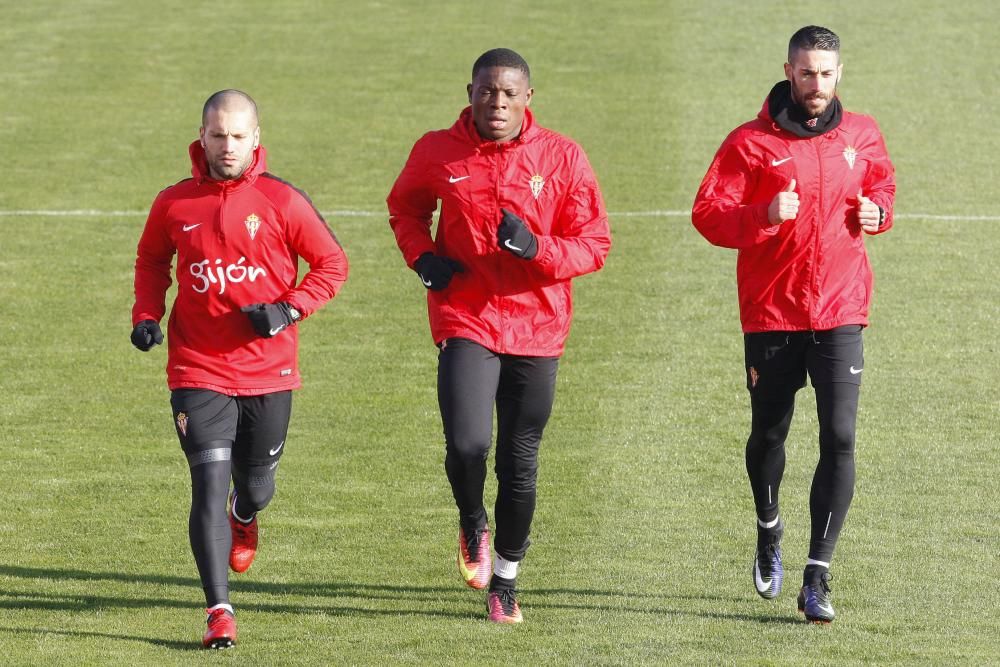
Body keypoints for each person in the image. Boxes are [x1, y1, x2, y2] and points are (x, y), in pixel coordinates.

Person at [387, 48, 611, 624]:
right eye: (488, 91)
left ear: (528, 98)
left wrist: (538, 249)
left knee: (520, 461)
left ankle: (507, 580)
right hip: (466, 315)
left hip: (538, 325)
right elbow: (405, 209)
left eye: (510, 93)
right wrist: (423, 257)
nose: (498, 103)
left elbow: (594, 244)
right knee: (466, 443)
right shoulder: (437, 150)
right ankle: (472, 522)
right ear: (470, 92)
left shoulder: (562, 157)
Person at [130, 89, 348, 648]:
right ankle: (218, 611)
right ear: (201, 137)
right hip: (196, 369)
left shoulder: (282, 201)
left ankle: (246, 513)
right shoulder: (173, 203)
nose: (227, 146)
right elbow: (153, 259)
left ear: (256, 138)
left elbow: (331, 264)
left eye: (238, 136)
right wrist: (147, 314)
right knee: (207, 486)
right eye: (217, 135)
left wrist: (287, 310)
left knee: (254, 485)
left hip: (268, 372)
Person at [692, 26, 895, 623]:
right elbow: (707, 213)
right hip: (773, 315)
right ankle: (768, 527)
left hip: (840, 312)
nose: (816, 84)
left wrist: (879, 212)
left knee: (839, 438)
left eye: (826, 73)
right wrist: (761, 213)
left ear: (840, 73)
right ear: (788, 70)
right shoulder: (749, 143)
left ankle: (818, 576)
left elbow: (881, 185)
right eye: (806, 73)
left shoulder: (862, 133)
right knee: (769, 438)